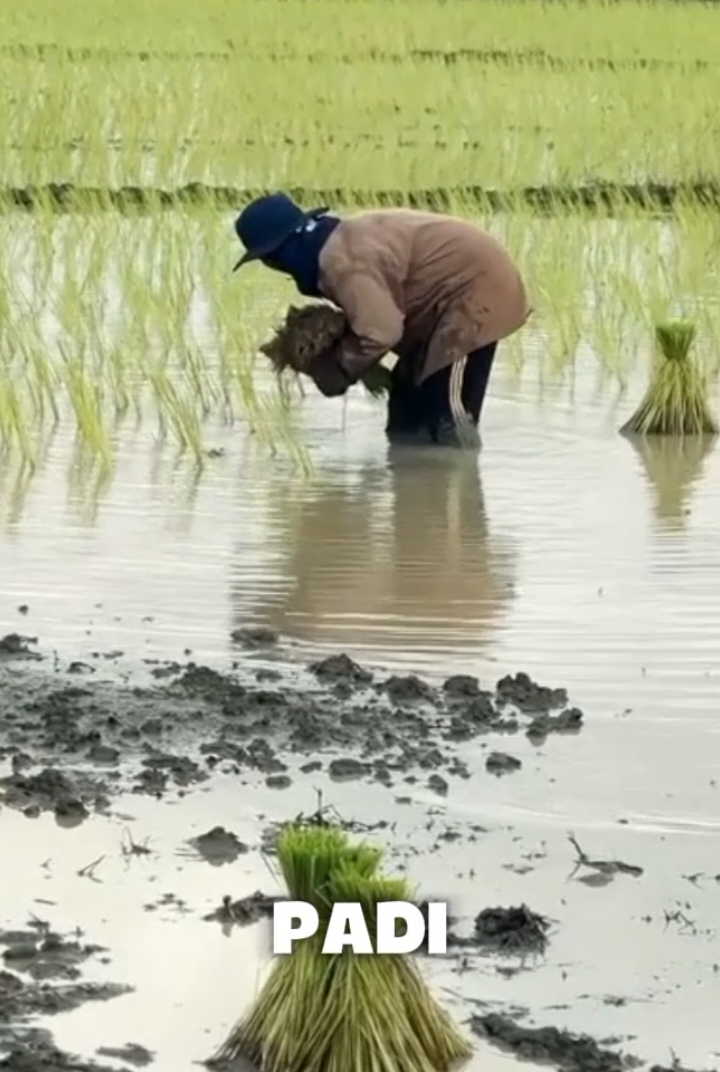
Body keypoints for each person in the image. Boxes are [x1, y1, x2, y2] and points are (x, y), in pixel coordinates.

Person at [232, 192, 531, 448]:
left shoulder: (343, 264)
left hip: (474, 295)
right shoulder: (333, 244)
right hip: (436, 308)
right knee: (406, 407)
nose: (274, 267)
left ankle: (454, 487)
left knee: (446, 415)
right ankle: (414, 500)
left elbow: (380, 332)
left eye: (270, 259)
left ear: (284, 251)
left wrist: (339, 368)